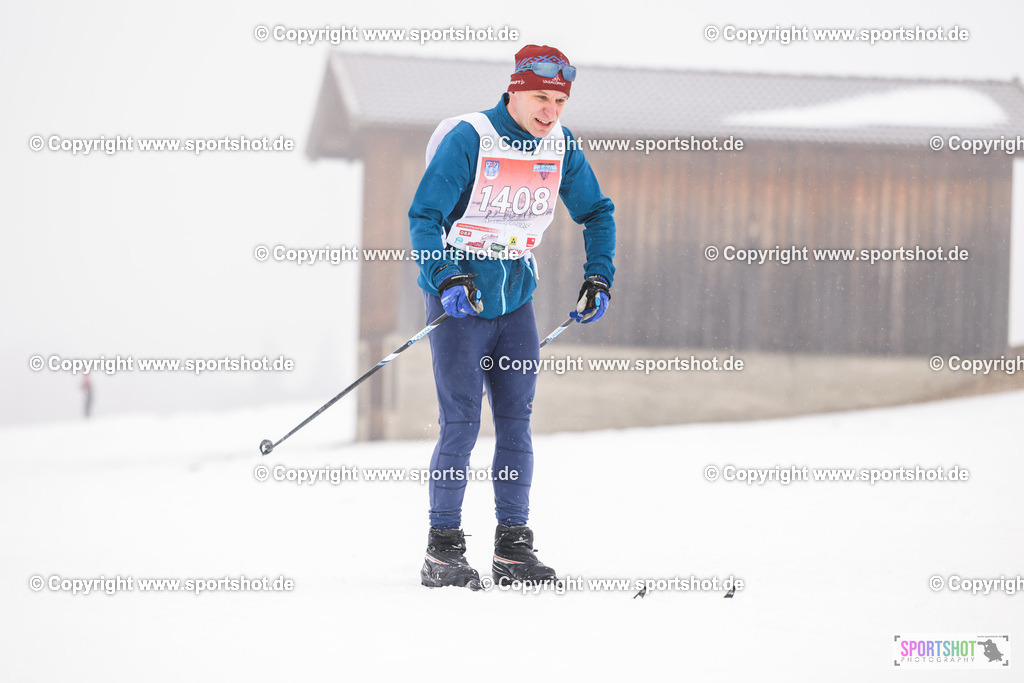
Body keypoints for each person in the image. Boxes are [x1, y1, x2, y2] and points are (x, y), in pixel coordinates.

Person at [409, 44, 616, 589]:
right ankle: (443, 550)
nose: (551, 111)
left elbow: (596, 211)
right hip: (462, 300)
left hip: (515, 300)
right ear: (516, 89)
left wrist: (599, 275)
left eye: (560, 101)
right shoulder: (471, 139)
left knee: (517, 424)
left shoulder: (561, 145)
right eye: (541, 97)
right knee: (460, 423)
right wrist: (445, 276)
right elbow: (425, 216)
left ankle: (512, 547)